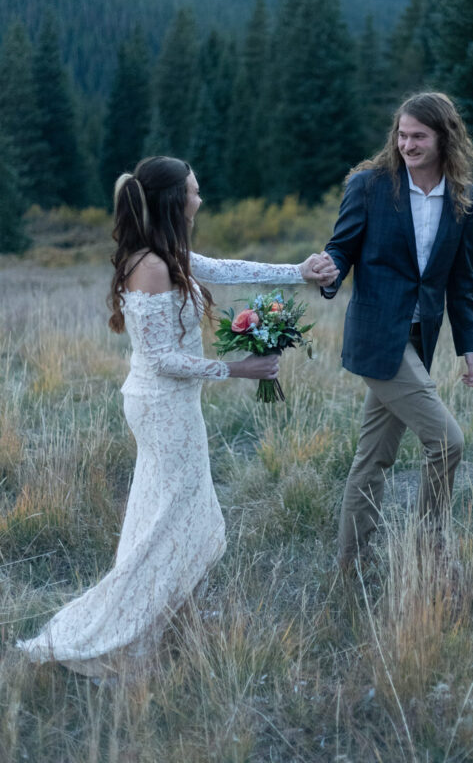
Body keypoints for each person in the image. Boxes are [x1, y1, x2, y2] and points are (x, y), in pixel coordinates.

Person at [17, 156, 338, 679]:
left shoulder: (170, 255)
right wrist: (239, 369)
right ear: (172, 201)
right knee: (186, 518)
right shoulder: (150, 265)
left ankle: (162, 631)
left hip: (172, 404)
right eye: (193, 191)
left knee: (164, 518)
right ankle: (117, 632)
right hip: (161, 405)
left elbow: (229, 269)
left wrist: (297, 273)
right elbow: (161, 358)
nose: (200, 199)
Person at [322, 92, 473, 567]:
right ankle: (431, 552)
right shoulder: (370, 185)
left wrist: (469, 345)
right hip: (378, 335)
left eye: (419, 136)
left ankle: (351, 564)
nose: (407, 144)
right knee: (447, 442)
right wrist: (328, 270)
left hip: (421, 336)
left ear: (444, 138)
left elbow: (461, 277)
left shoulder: (464, 196)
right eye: (402, 134)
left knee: (373, 458)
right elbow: (341, 249)